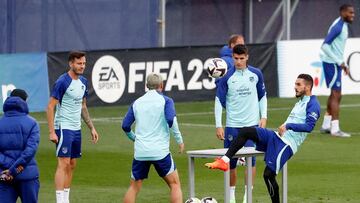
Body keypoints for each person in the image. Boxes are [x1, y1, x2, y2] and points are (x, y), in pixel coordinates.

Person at [206, 74, 321, 203]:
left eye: (298, 85)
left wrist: (288, 125)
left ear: (308, 87)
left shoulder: (313, 104)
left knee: (268, 175)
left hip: (287, 144)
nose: (295, 87)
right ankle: (224, 161)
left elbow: (309, 127)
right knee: (246, 131)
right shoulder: (300, 102)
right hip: (276, 137)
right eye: (295, 84)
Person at [215, 44, 267, 203]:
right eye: (236, 58)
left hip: (251, 126)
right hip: (232, 126)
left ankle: (247, 197)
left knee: (251, 161)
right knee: (230, 162)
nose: (238, 62)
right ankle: (231, 197)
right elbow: (218, 100)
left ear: (247, 57)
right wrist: (218, 124)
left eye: (241, 58)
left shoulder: (256, 74)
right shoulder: (226, 77)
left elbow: (262, 96)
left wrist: (263, 116)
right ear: (232, 57)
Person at [122, 73, 184, 203]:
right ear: (161, 85)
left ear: (146, 86)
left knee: (133, 187)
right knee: (175, 185)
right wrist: (179, 140)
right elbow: (171, 120)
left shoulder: (137, 102)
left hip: (141, 153)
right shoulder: (166, 101)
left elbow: (125, 125)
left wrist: (134, 137)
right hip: (160, 152)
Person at [47, 51, 99, 203]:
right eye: (79, 63)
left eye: (83, 63)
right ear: (71, 64)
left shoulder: (83, 81)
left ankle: (66, 199)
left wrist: (91, 127)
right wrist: (52, 132)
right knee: (63, 163)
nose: (82, 66)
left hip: (76, 128)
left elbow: (83, 106)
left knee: (72, 164)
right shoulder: (62, 82)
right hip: (63, 127)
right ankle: (60, 201)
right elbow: (50, 107)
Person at [319, 4, 355, 137]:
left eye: (353, 13)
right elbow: (325, 46)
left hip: (334, 63)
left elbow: (335, 48)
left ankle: (326, 125)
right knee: (336, 94)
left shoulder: (342, 25)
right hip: (331, 64)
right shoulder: (338, 27)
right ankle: (335, 129)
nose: (352, 15)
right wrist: (339, 62)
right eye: (350, 13)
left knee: (336, 94)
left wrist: (342, 63)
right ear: (343, 12)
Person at [0, 89, 40, 203]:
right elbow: (30, 151)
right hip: (27, 175)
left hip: (4, 176)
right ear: (24, 102)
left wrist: (8, 170)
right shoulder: (32, 123)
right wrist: (13, 170)